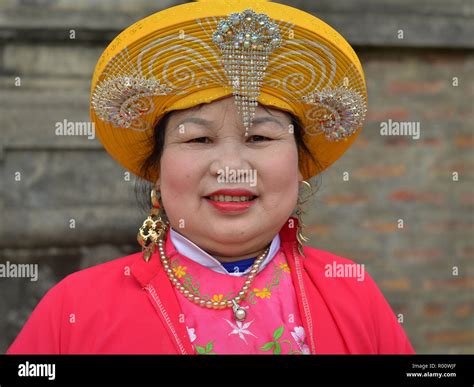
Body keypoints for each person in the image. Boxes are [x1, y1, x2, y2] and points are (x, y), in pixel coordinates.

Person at [7, 0, 414, 354]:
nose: (230, 166)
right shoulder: (74, 309)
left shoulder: (353, 293)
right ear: (158, 170)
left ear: (298, 164)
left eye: (259, 136)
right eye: (199, 138)